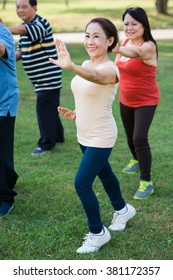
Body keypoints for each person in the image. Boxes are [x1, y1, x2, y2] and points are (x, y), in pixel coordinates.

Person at [49, 18, 136, 254]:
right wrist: (76, 113)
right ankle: (122, 209)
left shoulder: (110, 69)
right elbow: (90, 94)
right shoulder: (87, 63)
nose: (90, 41)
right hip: (84, 133)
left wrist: (71, 67)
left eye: (97, 36)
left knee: (82, 183)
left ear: (109, 41)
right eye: (87, 35)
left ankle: (98, 232)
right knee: (105, 174)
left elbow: (96, 78)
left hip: (102, 135)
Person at [114, 7, 160, 200]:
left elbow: (136, 53)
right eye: (126, 24)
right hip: (126, 98)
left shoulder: (148, 46)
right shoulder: (124, 41)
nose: (129, 27)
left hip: (146, 100)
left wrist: (116, 48)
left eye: (134, 23)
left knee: (140, 137)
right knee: (130, 137)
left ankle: (146, 182)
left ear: (143, 25)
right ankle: (135, 159)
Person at [9, 0, 64, 155]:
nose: (20, 10)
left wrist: (3, 29)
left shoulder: (40, 24)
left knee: (44, 109)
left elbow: (26, 29)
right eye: (18, 7)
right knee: (50, 109)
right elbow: (20, 52)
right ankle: (58, 136)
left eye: (24, 6)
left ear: (34, 7)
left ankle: (46, 144)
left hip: (48, 77)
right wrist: (6, 56)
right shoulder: (24, 29)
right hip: (39, 79)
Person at [0, 20, 19, 216]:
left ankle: (6, 197)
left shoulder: (2, 32)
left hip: (3, 103)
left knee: (2, 153)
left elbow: (1, 49)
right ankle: (9, 177)